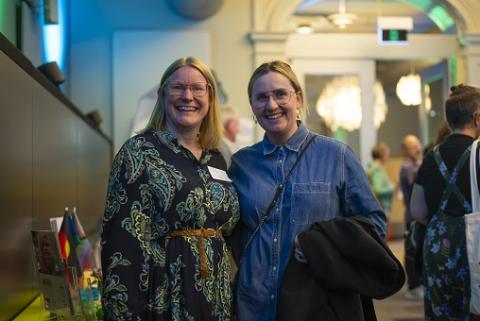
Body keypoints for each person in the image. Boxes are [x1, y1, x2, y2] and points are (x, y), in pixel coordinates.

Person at [228, 60, 386, 321]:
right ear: (253, 107)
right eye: (261, 97)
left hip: (316, 302)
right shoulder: (241, 164)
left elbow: (375, 226)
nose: (271, 105)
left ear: (298, 98)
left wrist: (324, 245)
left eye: (280, 94)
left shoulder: (337, 156)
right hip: (254, 304)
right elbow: (233, 233)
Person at [101, 57, 240, 321]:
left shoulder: (217, 156)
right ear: (163, 94)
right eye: (178, 87)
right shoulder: (139, 152)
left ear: (209, 98)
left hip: (217, 299)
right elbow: (121, 243)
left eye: (198, 88)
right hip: (165, 295)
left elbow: (231, 229)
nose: (188, 96)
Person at [410, 84, 480, 320]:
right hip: (474, 247)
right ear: (477, 118)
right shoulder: (478, 152)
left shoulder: (431, 156)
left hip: (438, 248)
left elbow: (417, 211)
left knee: (442, 313)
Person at [399, 134, 423, 300]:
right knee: (412, 251)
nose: (418, 148)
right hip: (412, 217)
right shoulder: (408, 167)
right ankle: (413, 286)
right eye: (414, 146)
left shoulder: (414, 165)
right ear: (407, 149)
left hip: (414, 215)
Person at [367, 142, 394, 217]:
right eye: (387, 154)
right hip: (381, 206)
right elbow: (378, 189)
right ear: (382, 155)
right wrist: (391, 187)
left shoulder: (372, 167)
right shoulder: (377, 169)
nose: (388, 157)